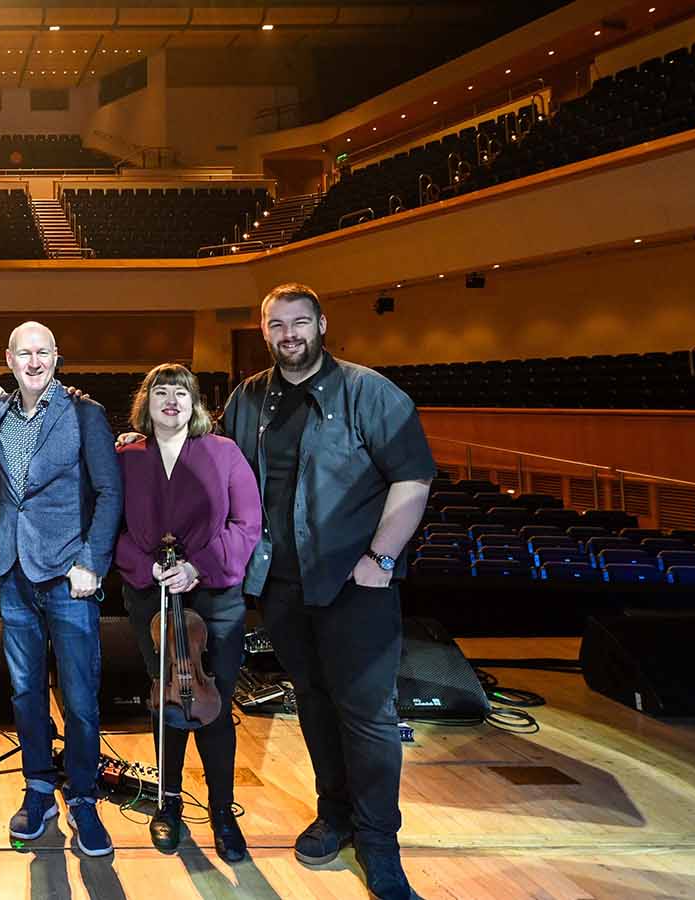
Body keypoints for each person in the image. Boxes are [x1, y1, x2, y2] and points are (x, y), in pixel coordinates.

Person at [221, 283, 434, 900]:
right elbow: (220, 467)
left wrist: (381, 557)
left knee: (368, 717)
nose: (289, 335)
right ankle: (334, 813)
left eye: (299, 322)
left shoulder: (369, 392)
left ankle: (379, 844)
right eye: (276, 325)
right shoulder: (249, 398)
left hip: (354, 584)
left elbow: (413, 479)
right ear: (264, 332)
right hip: (282, 586)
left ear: (320, 324)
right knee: (312, 702)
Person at [115, 363, 260, 859]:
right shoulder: (129, 455)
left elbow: (247, 523)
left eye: (182, 392)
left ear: (195, 403)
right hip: (150, 594)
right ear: (146, 401)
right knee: (167, 702)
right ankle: (168, 803)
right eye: (161, 391)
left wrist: (197, 567)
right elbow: (109, 525)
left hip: (213, 593)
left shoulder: (224, 452)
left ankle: (223, 812)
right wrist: (145, 566)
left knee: (213, 705)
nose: (171, 400)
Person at [0, 322, 122, 857]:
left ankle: (84, 797)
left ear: (57, 356)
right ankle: (39, 788)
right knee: (24, 692)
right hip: (13, 572)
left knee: (81, 696)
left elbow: (110, 491)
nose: (34, 361)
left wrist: (92, 561)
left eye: (44, 351)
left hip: (71, 574)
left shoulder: (85, 414)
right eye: (25, 353)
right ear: (9, 359)